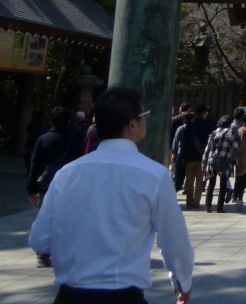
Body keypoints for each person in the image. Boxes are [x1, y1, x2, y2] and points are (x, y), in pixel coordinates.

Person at [29, 86, 194, 304]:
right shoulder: (154, 174)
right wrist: (182, 279)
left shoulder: (66, 173)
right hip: (123, 295)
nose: (146, 120)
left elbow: (39, 239)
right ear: (132, 124)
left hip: (70, 295)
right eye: (144, 115)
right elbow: (173, 238)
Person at [201, 116, 237, 212]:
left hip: (212, 161)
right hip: (224, 161)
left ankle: (208, 206)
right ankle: (219, 207)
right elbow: (236, 146)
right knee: (223, 185)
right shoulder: (229, 133)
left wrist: (203, 163)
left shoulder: (213, 133)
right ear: (229, 124)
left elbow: (207, 150)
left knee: (211, 184)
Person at [171, 111, 205, 209]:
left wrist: (174, 153)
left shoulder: (182, 128)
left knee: (189, 180)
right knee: (199, 180)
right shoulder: (199, 128)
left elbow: (176, 141)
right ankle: (197, 201)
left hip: (189, 157)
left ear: (184, 119)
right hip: (200, 156)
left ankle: (189, 200)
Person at [169, 104, 192, 191]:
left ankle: (174, 184)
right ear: (189, 109)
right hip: (190, 151)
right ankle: (186, 187)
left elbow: (173, 137)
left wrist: (173, 151)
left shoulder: (174, 119)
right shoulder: (192, 123)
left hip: (177, 149)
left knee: (175, 168)